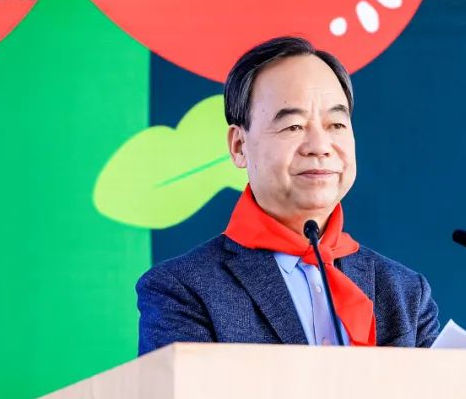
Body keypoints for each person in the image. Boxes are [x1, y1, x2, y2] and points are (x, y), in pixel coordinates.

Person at [137, 36, 440, 353]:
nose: (320, 147)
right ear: (239, 146)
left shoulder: (406, 294)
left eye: (336, 124)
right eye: (293, 126)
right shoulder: (182, 290)